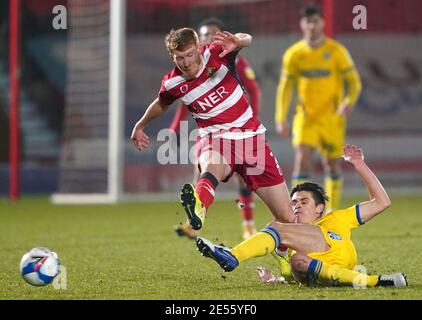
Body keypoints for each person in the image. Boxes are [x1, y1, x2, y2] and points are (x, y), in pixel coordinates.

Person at [131, 28, 296, 241]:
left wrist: (238, 41)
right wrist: (141, 124)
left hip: (251, 139)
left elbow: (248, 39)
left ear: (198, 48)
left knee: (287, 217)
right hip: (215, 139)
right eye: (179, 58)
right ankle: (198, 210)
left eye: (190, 55)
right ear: (172, 57)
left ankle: (288, 262)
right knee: (211, 166)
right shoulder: (173, 83)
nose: (186, 62)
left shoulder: (216, 53)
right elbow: (161, 104)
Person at [196, 144, 408, 288]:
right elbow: (290, 273)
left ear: (320, 208)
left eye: (304, 202)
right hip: (320, 272)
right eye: (294, 202)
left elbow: (382, 202)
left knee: (276, 227)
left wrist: (359, 165)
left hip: (338, 254)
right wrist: (276, 280)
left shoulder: (336, 219)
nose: (296, 206)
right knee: (297, 261)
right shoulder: (291, 244)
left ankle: (233, 256)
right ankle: (372, 281)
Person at [170, 18, 262, 240]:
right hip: (210, 131)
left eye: (213, 34)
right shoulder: (190, 64)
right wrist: (175, 127)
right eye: (204, 35)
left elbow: (254, 90)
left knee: (244, 177)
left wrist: (252, 120)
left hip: (239, 129)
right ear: (197, 40)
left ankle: (248, 225)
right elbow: (183, 98)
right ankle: (194, 220)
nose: (208, 38)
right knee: (200, 170)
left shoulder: (232, 58)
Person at [275, 4, 362, 212]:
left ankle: (328, 211)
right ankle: (296, 210)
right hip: (305, 118)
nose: (312, 26)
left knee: (331, 164)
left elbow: (355, 82)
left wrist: (348, 101)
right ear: (302, 24)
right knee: (302, 159)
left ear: (322, 23)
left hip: (332, 118)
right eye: (308, 22)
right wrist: (280, 118)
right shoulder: (294, 54)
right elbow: (285, 88)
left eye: (315, 21)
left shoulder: (336, 51)